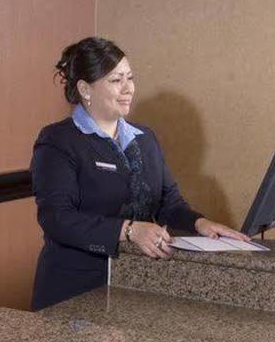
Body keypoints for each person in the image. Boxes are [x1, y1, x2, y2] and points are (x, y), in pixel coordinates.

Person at [29, 37, 246, 310]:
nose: (128, 89)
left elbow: (170, 203)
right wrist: (128, 231)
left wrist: (200, 223)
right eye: (115, 80)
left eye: (130, 78)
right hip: (74, 289)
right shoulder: (59, 141)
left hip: (133, 285)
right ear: (85, 88)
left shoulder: (145, 139)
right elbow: (57, 218)